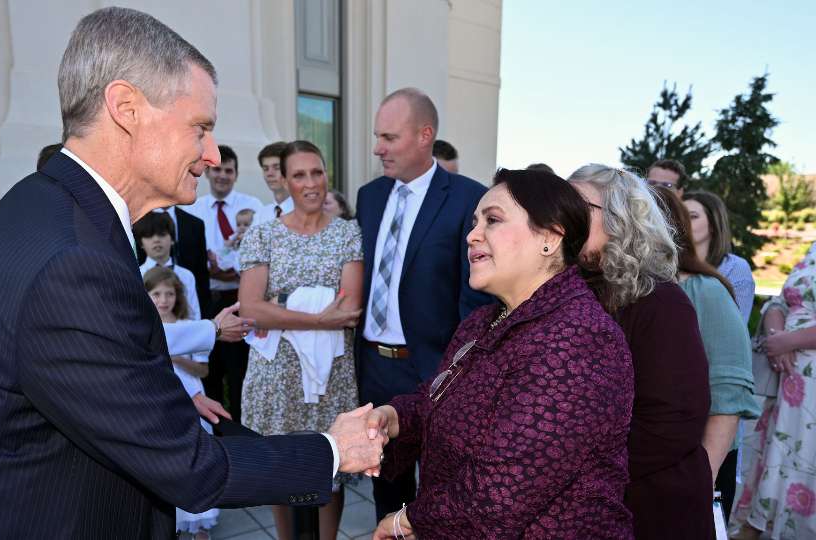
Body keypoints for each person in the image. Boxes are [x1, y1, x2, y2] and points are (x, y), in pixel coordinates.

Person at [0, 8, 385, 538]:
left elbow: (74, 377)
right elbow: (192, 470)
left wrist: (176, 400)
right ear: (126, 108)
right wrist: (333, 450)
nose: (211, 154)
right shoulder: (73, 262)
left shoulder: (40, 206)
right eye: (200, 128)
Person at [367, 169, 634, 538]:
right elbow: (441, 397)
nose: (472, 235)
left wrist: (407, 520)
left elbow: (499, 493)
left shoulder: (579, 339)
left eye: (492, 220)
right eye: (475, 221)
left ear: (550, 237)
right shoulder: (484, 320)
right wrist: (394, 416)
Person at [356, 87, 490, 520]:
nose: (378, 148)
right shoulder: (370, 196)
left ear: (424, 135)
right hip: (375, 365)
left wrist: (460, 368)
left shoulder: (469, 198)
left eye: (389, 138)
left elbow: (474, 298)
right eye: (378, 137)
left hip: (437, 366)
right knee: (386, 480)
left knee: (441, 483)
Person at [567, 164, 716, 539]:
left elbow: (673, 422)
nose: (562, 218)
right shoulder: (566, 295)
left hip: (651, 506)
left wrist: (571, 467)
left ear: (620, 219)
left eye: (577, 206)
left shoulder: (661, 301)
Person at [238, 141, 363, 539]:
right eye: (299, 175)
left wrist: (281, 306)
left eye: (317, 172)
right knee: (280, 468)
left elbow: (349, 306)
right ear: (284, 181)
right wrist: (317, 316)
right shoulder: (263, 235)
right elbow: (251, 310)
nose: (311, 183)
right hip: (276, 380)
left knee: (331, 469)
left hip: (332, 380)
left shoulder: (348, 234)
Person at [653, 186, 760, 522]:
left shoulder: (715, 283)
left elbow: (727, 380)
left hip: (702, 442)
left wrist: (700, 479)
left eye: (695, 213)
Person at [730, 245, 816, 540]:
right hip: (791, 383)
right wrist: (775, 336)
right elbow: (779, 302)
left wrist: (788, 341)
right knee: (785, 452)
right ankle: (760, 521)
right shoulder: (813, 249)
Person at [184, 144, 263, 422]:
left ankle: (243, 427)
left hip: (241, 300)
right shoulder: (194, 207)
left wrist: (234, 271)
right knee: (212, 371)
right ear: (208, 171)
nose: (222, 176)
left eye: (229, 171)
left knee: (240, 371)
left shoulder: (253, 208)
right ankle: (216, 430)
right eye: (218, 170)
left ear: (236, 174)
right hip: (208, 301)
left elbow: (260, 256)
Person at [145, 266, 221, 540]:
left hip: (194, 403)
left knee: (197, 459)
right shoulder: (142, 331)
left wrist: (171, 350)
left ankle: (200, 524)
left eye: (169, 294)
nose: (163, 300)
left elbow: (202, 370)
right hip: (161, 404)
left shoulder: (190, 328)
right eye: (156, 294)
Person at [683, 190, 756, 322]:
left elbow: (736, 327)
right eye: (680, 216)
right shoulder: (666, 265)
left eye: (693, 216)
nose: (683, 222)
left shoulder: (734, 268)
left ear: (713, 224)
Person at [253, 141, 293, 225]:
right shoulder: (260, 215)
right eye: (265, 169)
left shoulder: (306, 211)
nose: (269, 173)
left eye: (277, 167)